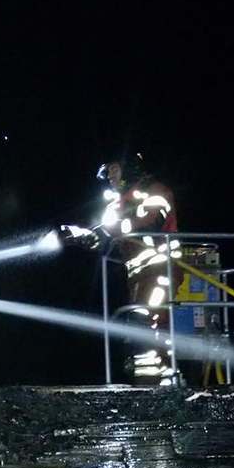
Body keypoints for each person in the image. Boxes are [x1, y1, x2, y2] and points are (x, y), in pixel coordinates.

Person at [60, 153, 183, 384]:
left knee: (145, 321)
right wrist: (85, 237)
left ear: (129, 168)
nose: (110, 176)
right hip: (138, 275)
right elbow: (109, 238)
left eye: (114, 169)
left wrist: (108, 231)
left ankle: (155, 384)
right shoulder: (117, 204)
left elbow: (150, 223)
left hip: (161, 268)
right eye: (107, 172)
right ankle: (158, 382)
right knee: (143, 325)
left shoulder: (154, 191)